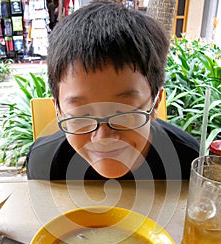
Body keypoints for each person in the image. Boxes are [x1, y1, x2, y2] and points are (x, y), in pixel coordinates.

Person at [26, 1, 199, 181]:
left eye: (125, 114)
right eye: (81, 115)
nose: (103, 137)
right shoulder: (44, 163)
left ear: (156, 104)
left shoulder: (186, 161)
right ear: (60, 111)